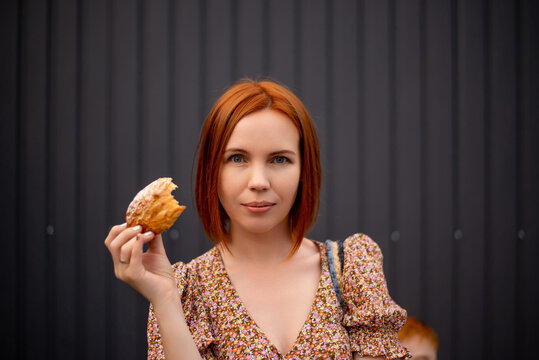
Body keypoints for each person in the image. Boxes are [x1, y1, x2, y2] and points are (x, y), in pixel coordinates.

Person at [105, 79, 411, 359]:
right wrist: (166, 299)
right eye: (237, 158)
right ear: (212, 170)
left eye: (280, 159)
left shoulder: (351, 269)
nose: (259, 181)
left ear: (305, 170)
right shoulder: (185, 290)